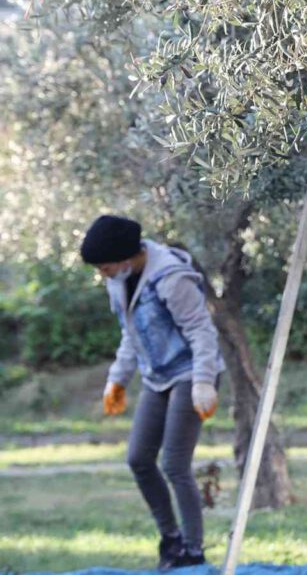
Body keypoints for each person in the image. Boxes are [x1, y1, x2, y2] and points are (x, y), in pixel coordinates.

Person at [80, 215, 226, 570]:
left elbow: (202, 332)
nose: (102, 274)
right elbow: (130, 335)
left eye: (105, 266)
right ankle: (172, 540)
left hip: (191, 372)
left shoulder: (172, 278)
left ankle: (193, 551)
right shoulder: (120, 279)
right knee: (138, 459)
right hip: (156, 376)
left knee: (175, 465)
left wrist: (204, 381)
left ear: (127, 258)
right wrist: (117, 379)